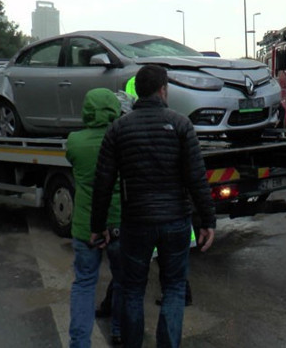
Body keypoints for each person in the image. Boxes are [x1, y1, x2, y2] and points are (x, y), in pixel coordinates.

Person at [90, 64, 216, 348]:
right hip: (176, 222)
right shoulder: (182, 125)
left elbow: (103, 183)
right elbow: (196, 178)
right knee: (173, 288)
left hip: (136, 223)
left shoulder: (118, 129)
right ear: (163, 90)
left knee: (133, 290)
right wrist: (208, 220)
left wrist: (97, 227)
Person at [67, 88, 124, 347]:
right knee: (124, 281)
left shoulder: (75, 141)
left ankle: (80, 343)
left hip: (84, 226)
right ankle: (119, 331)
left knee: (84, 284)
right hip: (119, 222)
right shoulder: (122, 139)